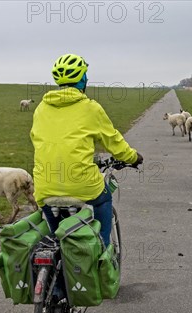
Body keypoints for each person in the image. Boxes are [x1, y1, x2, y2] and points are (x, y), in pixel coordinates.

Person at [30, 53, 143, 246]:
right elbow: (113, 141)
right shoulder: (91, 108)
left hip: (45, 187)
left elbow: (38, 140)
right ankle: (103, 252)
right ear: (83, 79)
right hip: (83, 187)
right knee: (104, 199)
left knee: (56, 239)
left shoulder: (41, 108)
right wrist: (133, 157)